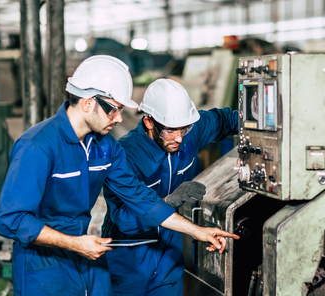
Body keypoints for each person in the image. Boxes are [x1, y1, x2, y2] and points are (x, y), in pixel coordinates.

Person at [0, 56, 239, 296]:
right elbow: (11, 219)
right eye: (114, 109)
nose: (120, 118)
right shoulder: (38, 146)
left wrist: (198, 231)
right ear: (88, 102)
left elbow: (140, 198)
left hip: (87, 256)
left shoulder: (105, 147)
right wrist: (73, 243)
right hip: (44, 264)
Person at [101, 78, 239, 295]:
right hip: (129, 257)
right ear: (149, 122)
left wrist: (266, 120)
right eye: (170, 131)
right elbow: (124, 218)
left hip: (169, 254)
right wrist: (169, 202)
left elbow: (226, 120)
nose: (179, 138)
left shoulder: (186, 132)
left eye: (184, 129)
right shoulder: (125, 155)